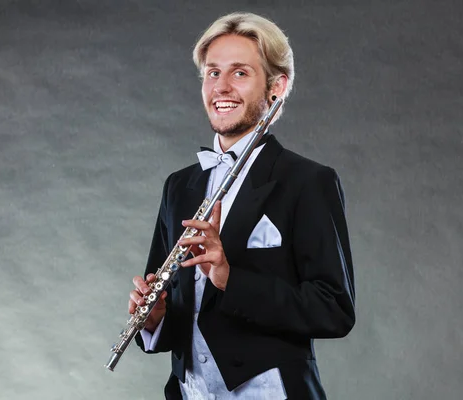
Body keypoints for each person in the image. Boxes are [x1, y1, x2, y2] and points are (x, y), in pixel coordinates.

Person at [128, 12, 355, 400]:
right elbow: (178, 307)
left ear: (276, 87)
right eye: (213, 73)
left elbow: (334, 309)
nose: (222, 87)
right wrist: (155, 318)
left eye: (240, 73)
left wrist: (230, 278)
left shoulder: (307, 181)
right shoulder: (179, 186)